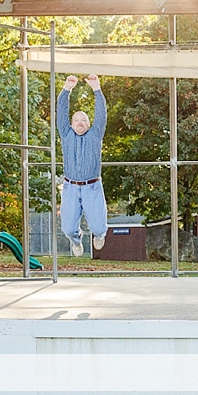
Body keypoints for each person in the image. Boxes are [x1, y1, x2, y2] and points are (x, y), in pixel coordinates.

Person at [57, 74, 108, 257]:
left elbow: (101, 114)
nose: (80, 123)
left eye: (84, 120)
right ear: (71, 124)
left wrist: (96, 89)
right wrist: (66, 89)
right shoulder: (66, 134)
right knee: (68, 228)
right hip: (70, 187)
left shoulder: (95, 135)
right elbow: (61, 112)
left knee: (98, 226)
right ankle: (76, 240)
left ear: (89, 124)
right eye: (76, 120)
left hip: (92, 186)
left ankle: (100, 235)